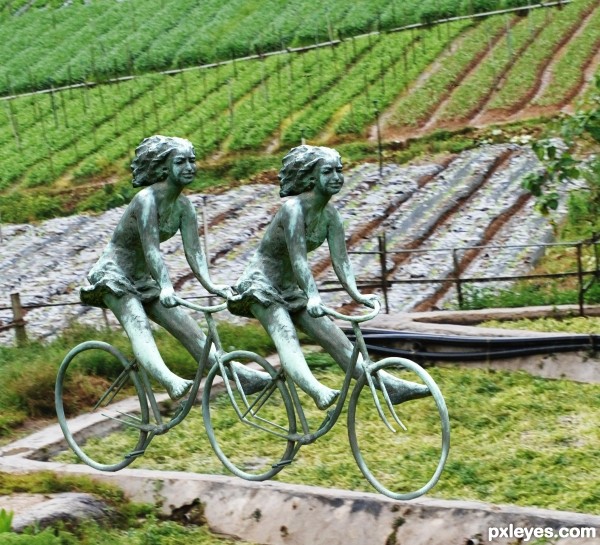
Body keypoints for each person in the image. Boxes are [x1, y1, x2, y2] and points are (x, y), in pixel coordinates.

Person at [229, 145, 429, 409]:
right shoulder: (292, 209)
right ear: (311, 177)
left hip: (290, 288)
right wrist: (312, 295)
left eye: (339, 170)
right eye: (328, 171)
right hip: (260, 285)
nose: (336, 176)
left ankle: (388, 386)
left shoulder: (330, 215)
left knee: (334, 336)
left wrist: (356, 295)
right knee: (285, 333)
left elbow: (341, 261)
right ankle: (317, 390)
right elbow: (298, 257)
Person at [81, 135, 267, 400]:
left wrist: (211, 285)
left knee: (190, 330)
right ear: (163, 168)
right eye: (181, 162)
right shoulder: (146, 200)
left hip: (143, 279)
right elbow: (151, 248)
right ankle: (171, 382)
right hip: (115, 275)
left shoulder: (183, 207)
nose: (190, 167)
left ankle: (238, 375)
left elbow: (194, 252)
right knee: (139, 326)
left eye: (192, 160)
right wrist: (166, 286)